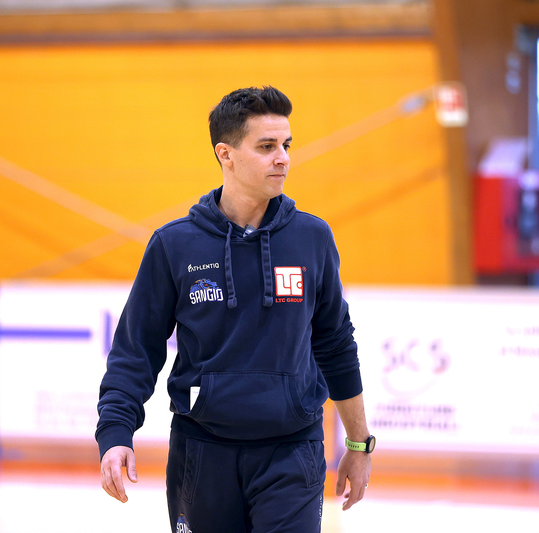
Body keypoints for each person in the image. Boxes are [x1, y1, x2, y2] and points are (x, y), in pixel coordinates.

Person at [97, 86, 374, 533]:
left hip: (293, 451)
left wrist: (359, 446)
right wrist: (115, 434)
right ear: (225, 154)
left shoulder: (312, 238)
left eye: (286, 145)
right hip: (201, 452)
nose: (283, 158)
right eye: (266, 147)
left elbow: (337, 346)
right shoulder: (174, 244)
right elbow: (136, 350)